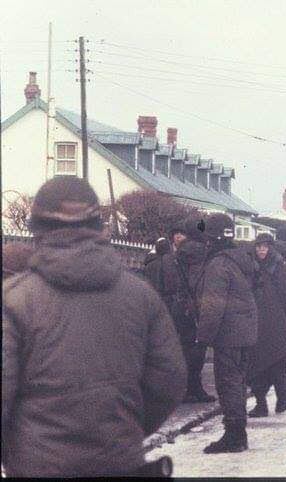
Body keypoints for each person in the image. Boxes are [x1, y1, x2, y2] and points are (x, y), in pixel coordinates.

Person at [2, 177, 186, 477]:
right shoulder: (141, 296)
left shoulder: (14, 301)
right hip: (120, 460)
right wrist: (124, 429)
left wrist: (19, 448)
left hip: (39, 465)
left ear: (35, 228)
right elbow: (169, 380)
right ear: (99, 226)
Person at [195, 213, 258, 453]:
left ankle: (234, 436)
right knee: (238, 382)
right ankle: (238, 433)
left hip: (229, 333)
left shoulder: (218, 264)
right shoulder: (241, 260)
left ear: (212, 238)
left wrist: (203, 336)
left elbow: (213, 305)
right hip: (246, 330)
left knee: (228, 382)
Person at [149, 217, 215, 404]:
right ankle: (195, 387)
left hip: (179, 309)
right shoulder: (207, 255)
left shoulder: (170, 260)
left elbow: (166, 287)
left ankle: (186, 389)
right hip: (200, 307)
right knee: (198, 349)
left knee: (184, 349)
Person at [247, 234, 286, 417]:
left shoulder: (281, 270)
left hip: (279, 326)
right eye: (258, 246)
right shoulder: (251, 269)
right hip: (257, 325)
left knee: (278, 365)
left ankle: (283, 397)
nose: (261, 250)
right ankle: (261, 404)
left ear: (271, 248)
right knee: (256, 366)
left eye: (265, 247)